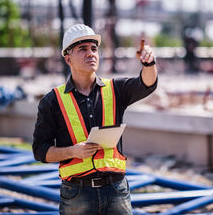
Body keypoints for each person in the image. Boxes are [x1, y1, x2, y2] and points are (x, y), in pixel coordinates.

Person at [32, 23, 157, 215]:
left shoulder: (115, 89)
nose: (91, 53)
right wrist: (72, 151)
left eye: (94, 48)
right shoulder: (52, 101)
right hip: (76, 194)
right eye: (82, 49)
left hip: (116, 189)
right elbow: (40, 151)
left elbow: (147, 84)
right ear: (68, 58)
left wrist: (149, 63)